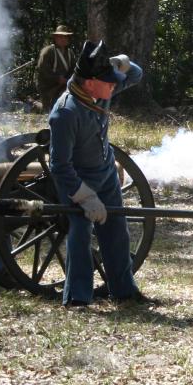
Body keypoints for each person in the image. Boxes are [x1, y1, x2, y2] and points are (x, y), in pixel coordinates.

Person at [47, 40, 150, 307]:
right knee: (80, 236)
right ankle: (78, 298)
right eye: (108, 80)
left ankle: (124, 290)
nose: (114, 85)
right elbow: (60, 165)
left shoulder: (101, 91)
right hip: (79, 181)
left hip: (105, 174)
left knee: (117, 232)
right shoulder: (65, 113)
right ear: (90, 82)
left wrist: (118, 62)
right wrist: (85, 197)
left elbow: (135, 75)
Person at [36, 25, 77, 110]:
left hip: (66, 86)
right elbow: (43, 71)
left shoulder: (70, 53)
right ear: (55, 38)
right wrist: (57, 79)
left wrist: (69, 80)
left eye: (65, 37)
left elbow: (74, 70)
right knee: (53, 107)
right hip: (49, 87)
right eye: (60, 37)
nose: (63, 39)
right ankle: (37, 105)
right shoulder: (48, 51)